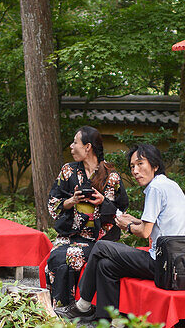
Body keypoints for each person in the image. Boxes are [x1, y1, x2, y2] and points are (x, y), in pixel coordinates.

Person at [58, 142, 185, 322]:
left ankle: (83, 305)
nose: (135, 171)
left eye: (140, 164)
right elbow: (162, 220)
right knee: (107, 266)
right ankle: (112, 324)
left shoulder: (154, 188)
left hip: (163, 263)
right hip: (180, 260)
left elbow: (145, 233)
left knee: (101, 247)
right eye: (132, 166)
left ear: (155, 165)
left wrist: (127, 226)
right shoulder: (170, 185)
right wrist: (135, 220)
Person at [45, 126, 129, 307]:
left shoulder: (111, 176)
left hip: (99, 240)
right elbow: (53, 203)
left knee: (68, 256)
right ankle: (62, 308)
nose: (71, 147)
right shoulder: (68, 171)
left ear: (88, 147)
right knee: (55, 257)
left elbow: (121, 212)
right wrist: (72, 200)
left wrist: (103, 202)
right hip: (69, 234)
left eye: (75, 142)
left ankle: (66, 309)